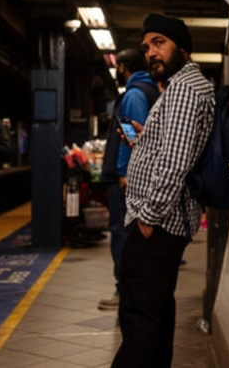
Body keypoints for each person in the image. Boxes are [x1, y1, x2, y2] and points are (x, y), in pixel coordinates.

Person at [111, 14, 214, 368]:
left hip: (156, 226)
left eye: (159, 43)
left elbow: (174, 163)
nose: (151, 52)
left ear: (182, 48)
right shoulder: (179, 89)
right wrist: (143, 140)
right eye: (146, 47)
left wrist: (147, 218)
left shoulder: (185, 90)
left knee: (139, 321)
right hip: (161, 224)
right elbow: (170, 150)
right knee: (153, 320)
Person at [98, 49, 160, 310]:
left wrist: (123, 172)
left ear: (122, 67)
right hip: (136, 175)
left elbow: (131, 135)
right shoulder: (148, 90)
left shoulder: (134, 95)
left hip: (127, 177)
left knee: (122, 234)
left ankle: (124, 291)